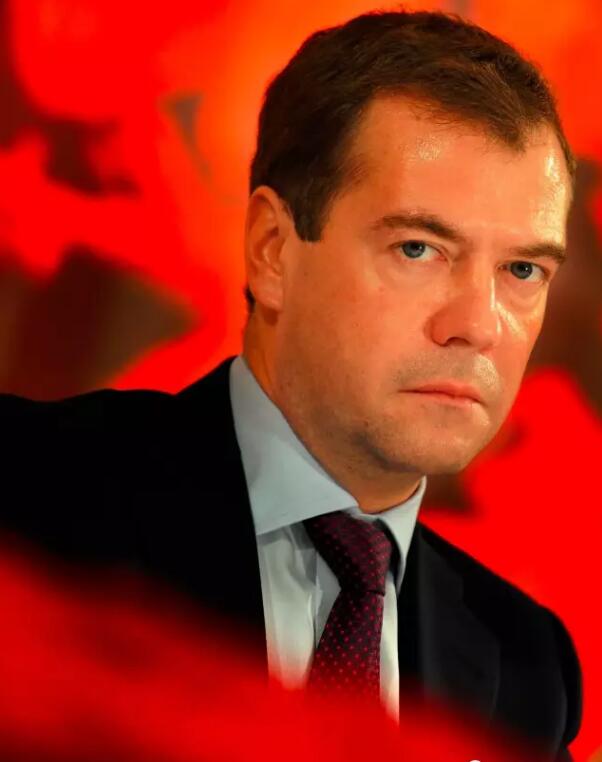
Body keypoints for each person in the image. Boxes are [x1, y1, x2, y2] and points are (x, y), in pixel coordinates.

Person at [0, 9, 581, 760]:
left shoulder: (527, 668)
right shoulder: (29, 499)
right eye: (418, 248)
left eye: (523, 269)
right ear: (273, 249)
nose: (478, 324)